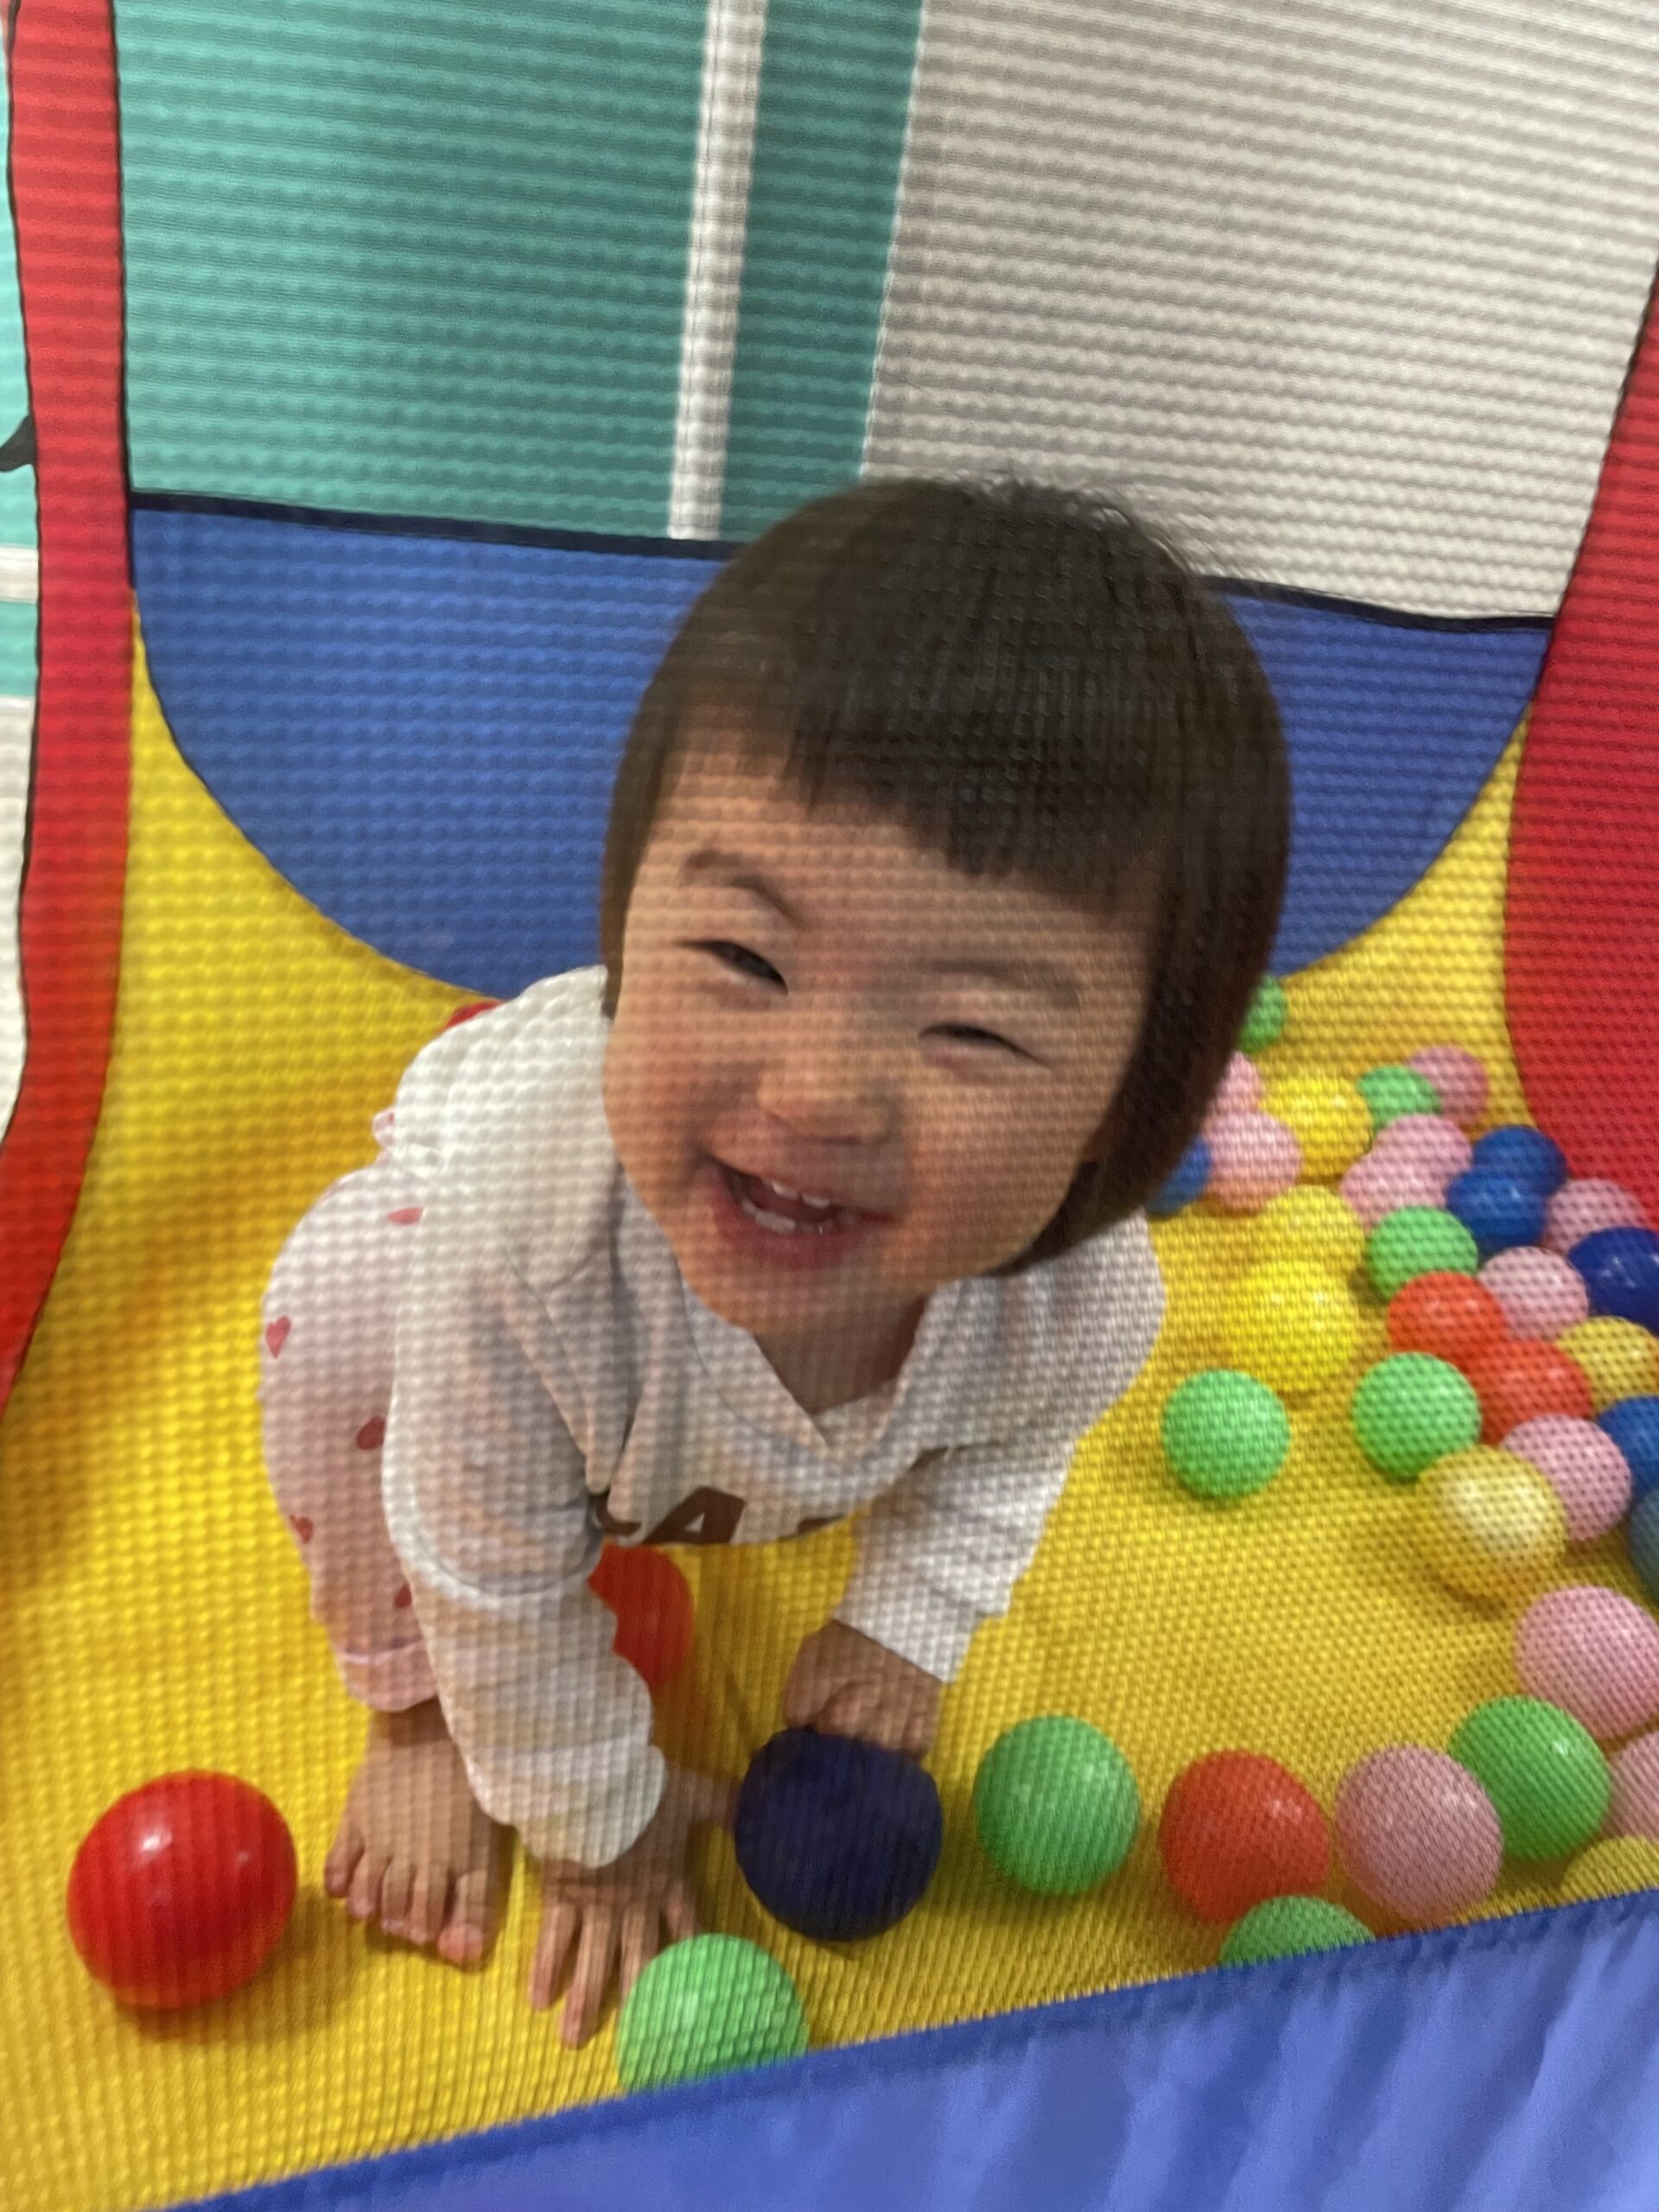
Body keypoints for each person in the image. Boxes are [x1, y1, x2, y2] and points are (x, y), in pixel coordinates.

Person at [259, 477, 1288, 2045]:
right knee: (340, 1307)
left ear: (1127, 1109)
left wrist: (904, 1624)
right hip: (485, 1288)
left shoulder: (1075, 1306)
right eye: (744, 956)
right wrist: (593, 1821)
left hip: (673, 1413)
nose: (816, 1096)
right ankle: (406, 1709)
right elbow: (491, 1569)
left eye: (971, 1030)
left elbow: (1005, 1459)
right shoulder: (526, 1240)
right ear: (624, 931)